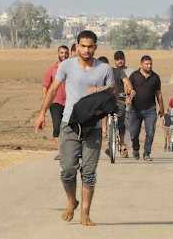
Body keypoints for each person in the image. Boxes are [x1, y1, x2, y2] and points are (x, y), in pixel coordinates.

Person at [34, 30, 115, 226]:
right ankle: (72, 202)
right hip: (69, 123)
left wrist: (98, 90)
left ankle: (85, 214)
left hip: (92, 126)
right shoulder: (67, 66)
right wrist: (41, 113)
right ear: (77, 46)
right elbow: (53, 89)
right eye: (83, 46)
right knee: (67, 169)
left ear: (95, 47)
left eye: (90, 46)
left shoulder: (104, 69)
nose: (86, 50)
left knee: (88, 171)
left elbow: (113, 92)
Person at [99, 54, 136, 158]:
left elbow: (127, 83)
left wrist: (130, 91)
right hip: (102, 101)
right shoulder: (95, 74)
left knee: (122, 118)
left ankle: (122, 143)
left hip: (118, 99)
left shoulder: (118, 71)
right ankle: (104, 131)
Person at [129, 55, 164, 161]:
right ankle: (135, 149)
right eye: (147, 64)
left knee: (150, 131)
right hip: (135, 109)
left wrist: (161, 107)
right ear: (141, 64)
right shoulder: (134, 76)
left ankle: (146, 153)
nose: (149, 66)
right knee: (133, 133)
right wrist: (129, 96)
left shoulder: (155, 77)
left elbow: (158, 93)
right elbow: (129, 90)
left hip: (150, 109)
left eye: (150, 64)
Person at [42, 45, 69, 160]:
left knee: (68, 128)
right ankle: (62, 153)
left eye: (66, 53)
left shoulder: (72, 68)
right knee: (57, 127)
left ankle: (70, 151)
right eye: (62, 53)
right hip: (55, 102)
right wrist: (45, 103)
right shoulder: (52, 69)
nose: (64, 55)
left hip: (69, 102)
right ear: (58, 54)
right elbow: (45, 86)